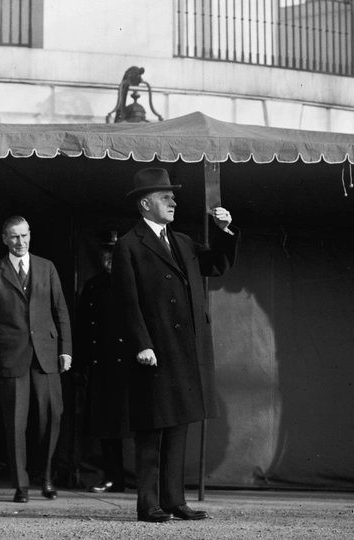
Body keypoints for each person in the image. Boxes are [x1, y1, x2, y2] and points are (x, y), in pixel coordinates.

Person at [111, 167, 238, 523]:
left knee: (179, 424)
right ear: (145, 203)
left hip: (186, 350)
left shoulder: (182, 241)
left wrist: (224, 231)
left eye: (173, 196)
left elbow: (217, 264)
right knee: (152, 429)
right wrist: (141, 343)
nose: (173, 201)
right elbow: (126, 301)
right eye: (165, 197)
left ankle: (173, 500)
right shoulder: (129, 245)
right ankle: (148, 503)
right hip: (154, 350)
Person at [0, 216, 72, 503]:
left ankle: (45, 477)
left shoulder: (47, 267)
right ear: (4, 239)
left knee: (51, 416)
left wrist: (66, 349)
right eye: (14, 237)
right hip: (11, 353)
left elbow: (61, 311)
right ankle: (20, 484)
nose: (20, 242)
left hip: (46, 353)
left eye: (24, 236)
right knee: (15, 422)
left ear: (30, 235)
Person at [78, 231, 131, 493]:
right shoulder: (93, 285)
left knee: (134, 427)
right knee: (105, 426)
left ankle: (142, 479)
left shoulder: (134, 283)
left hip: (129, 367)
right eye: (106, 252)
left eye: (114, 252)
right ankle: (113, 477)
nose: (110, 258)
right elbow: (83, 328)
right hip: (100, 365)